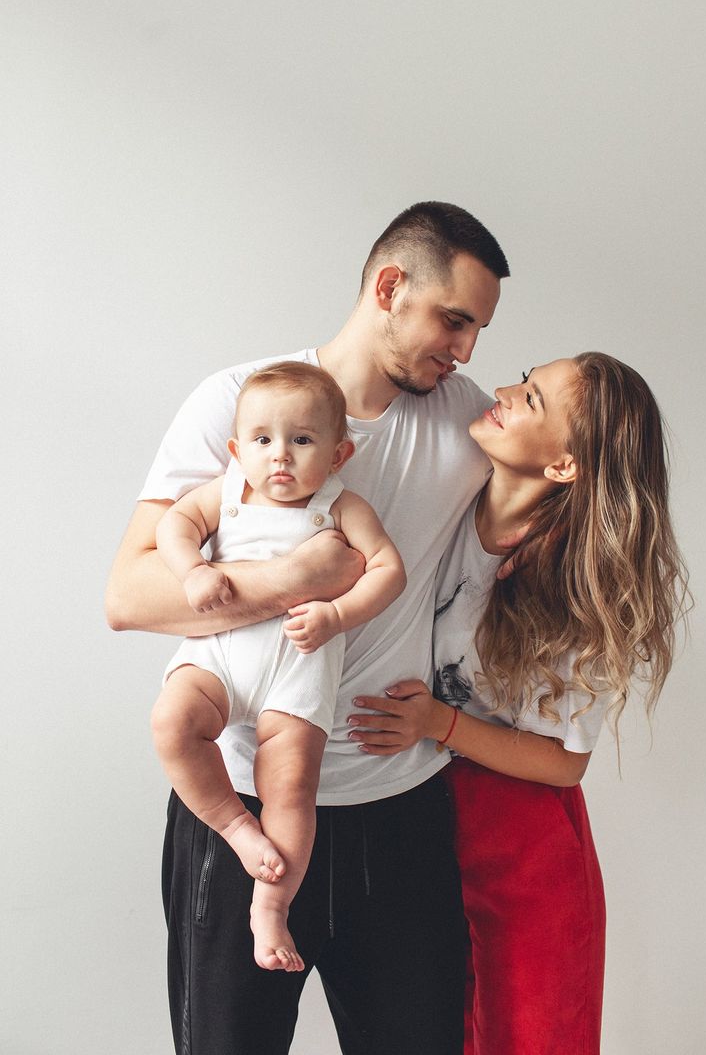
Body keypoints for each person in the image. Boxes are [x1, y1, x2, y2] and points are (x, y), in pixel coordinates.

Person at [105, 201, 510, 1055]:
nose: (467, 348)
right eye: (454, 320)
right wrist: (299, 578)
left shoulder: (470, 424)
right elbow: (131, 595)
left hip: (399, 811)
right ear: (389, 287)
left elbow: (570, 470)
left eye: (476, 330)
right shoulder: (242, 403)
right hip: (239, 805)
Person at [348, 353, 689, 1055]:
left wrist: (438, 723)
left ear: (564, 466)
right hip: (418, 827)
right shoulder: (441, 500)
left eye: (530, 398)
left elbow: (566, 764)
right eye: (524, 379)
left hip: (523, 854)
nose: (503, 391)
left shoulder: (570, 584)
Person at [152, 361, 406, 974]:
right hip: (220, 655)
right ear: (238, 449)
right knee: (171, 723)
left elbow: (389, 571)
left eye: (302, 440)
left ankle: (271, 905)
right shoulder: (227, 494)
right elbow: (172, 523)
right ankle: (236, 827)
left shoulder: (343, 507)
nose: (280, 457)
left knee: (291, 787)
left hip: (299, 666)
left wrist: (338, 616)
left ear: (339, 453)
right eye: (263, 441)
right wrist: (193, 570)